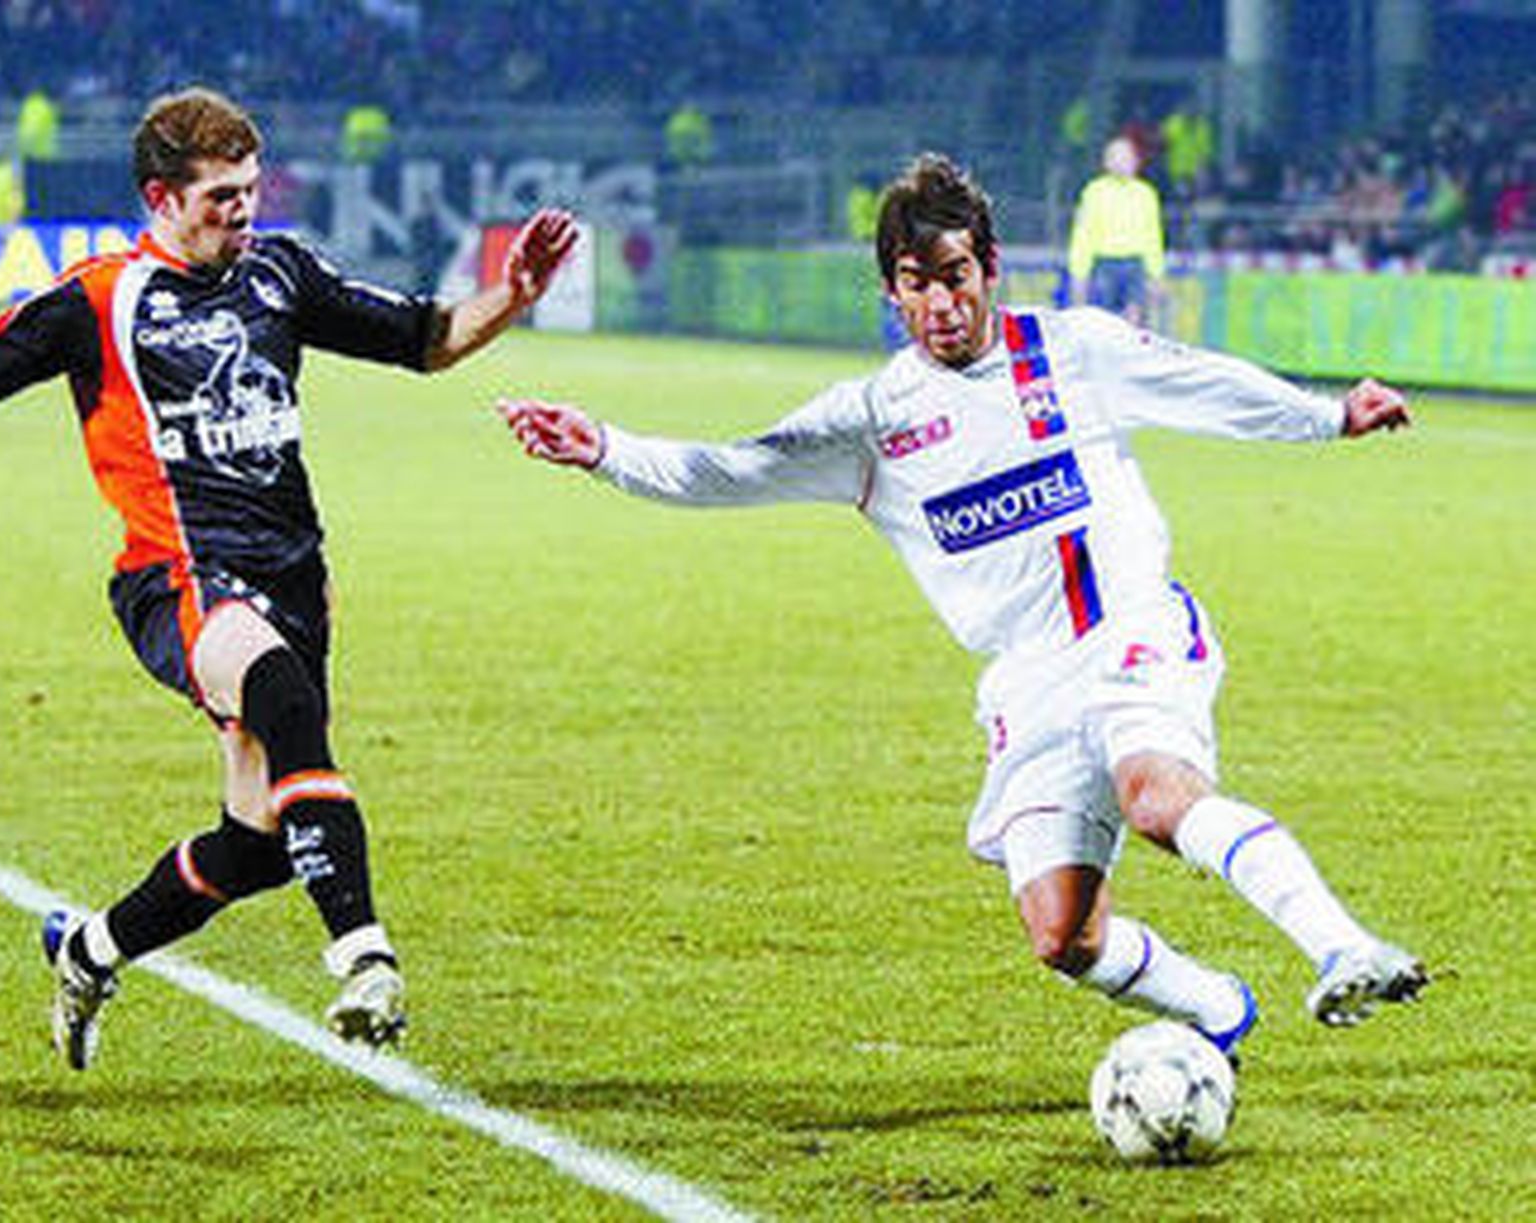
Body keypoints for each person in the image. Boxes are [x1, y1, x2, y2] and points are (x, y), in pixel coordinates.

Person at [500, 153, 1427, 1064]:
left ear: (990, 268)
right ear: (891, 294)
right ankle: (1219, 1007)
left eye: (956, 277)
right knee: (1064, 935)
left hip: (1132, 629)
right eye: (917, 285)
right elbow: (733, 469)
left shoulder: (1073, 350)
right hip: (1028, 684)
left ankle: (1344, 946)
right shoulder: (870, 420)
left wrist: (1328, 416)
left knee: (1155, 795)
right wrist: (607, 448)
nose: (942, 305)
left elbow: (1207, 384)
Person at [0, 87, 577, 1069]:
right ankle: (364, 956)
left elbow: (424, 338)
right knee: (282, 700)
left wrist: (513, 296)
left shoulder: (279, 273)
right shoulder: (98, 302)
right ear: (161, 195)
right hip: (178, 574)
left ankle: (88, 947)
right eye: (221, 196)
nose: (243, 209)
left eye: (250, 190)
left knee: (259, 842)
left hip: (293, 577)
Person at [1067, 136, 1166, 326]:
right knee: (1105, 325)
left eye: (1126, 158)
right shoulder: (1094, 192)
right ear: (1106, 162)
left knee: (1135, 323)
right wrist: (1079, 274)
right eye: (1116, 157)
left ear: (1136, 162)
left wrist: (1156, 274)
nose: (1121, 163)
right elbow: (1083, 235)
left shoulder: (1146, 194)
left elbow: (1153, 236)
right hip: (1104, 264)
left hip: (1135, 264)